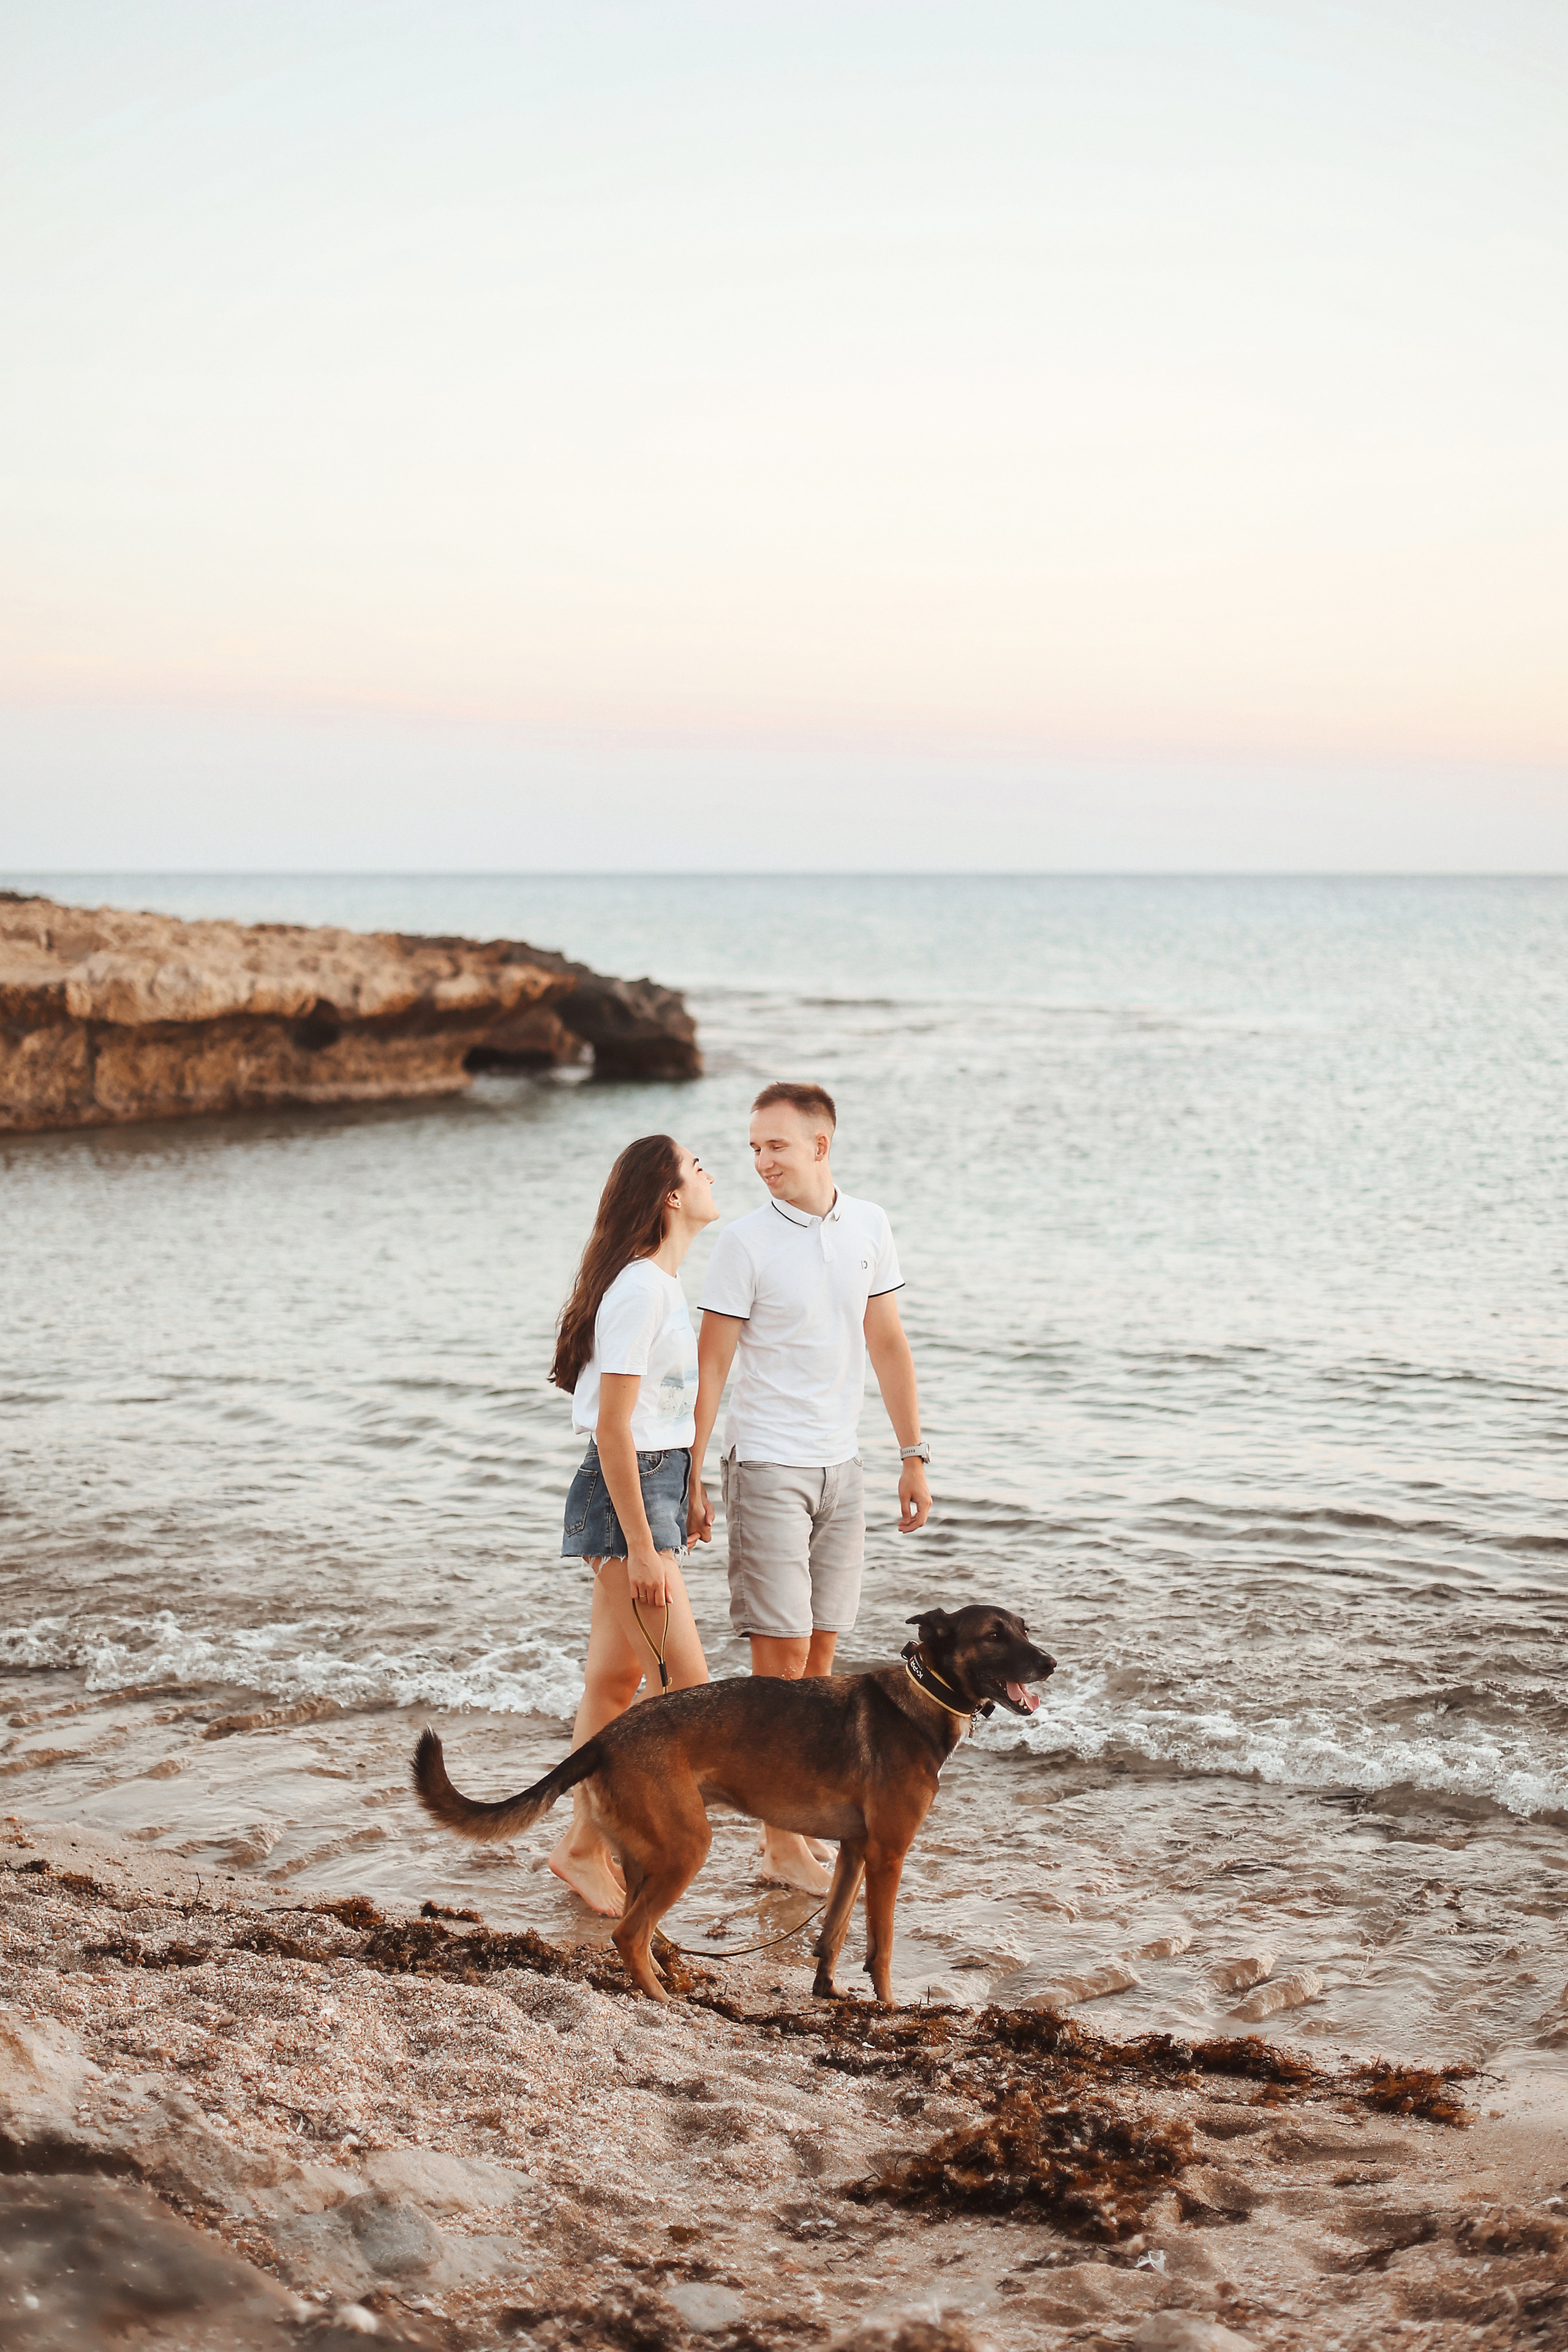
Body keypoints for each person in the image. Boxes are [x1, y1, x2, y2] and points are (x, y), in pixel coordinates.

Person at [687, 1081, 930, 1892]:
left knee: (824, 1656)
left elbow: (888, 1342)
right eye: (753, 1147)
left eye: (776, 1146)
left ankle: (797, 1824)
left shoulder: (870, 1226)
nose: (760, 1162)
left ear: (821, 1147)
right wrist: (691, 1468)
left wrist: (912, 1454)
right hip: (764, 1463)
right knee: (779, 1659)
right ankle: (780, 1844)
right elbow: (712, 1361)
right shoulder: (744, 1244)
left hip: (844, 1465)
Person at [547, 1133, 718, 1915]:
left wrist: (691, 1487)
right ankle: (593, 1847)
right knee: (688, 1690)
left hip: (652, 1490)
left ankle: (582, 1849)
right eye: (699, 1165)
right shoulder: (641, 1289)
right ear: (671, 1196)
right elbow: (612, 1428)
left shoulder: (658, 1285)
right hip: (627, 1503)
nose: (712, 1173)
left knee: (614, 1682)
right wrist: (644, 1549)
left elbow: (653, 1417)